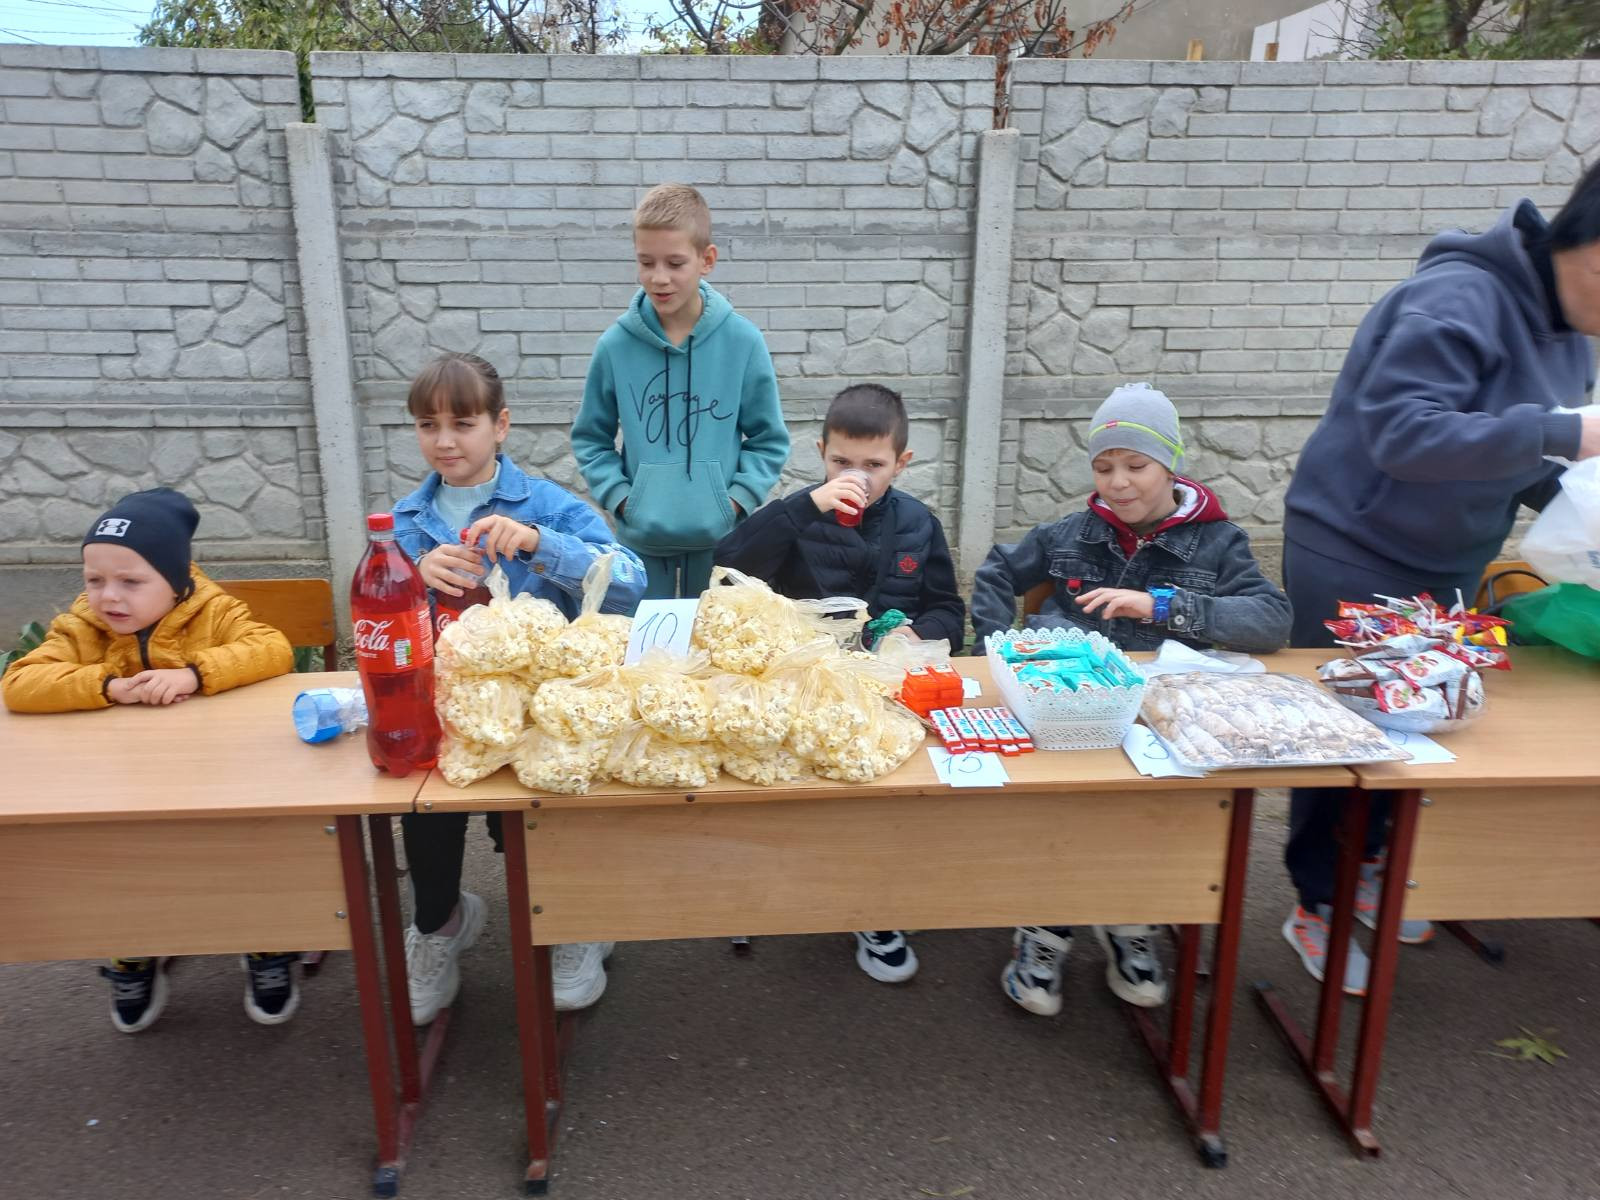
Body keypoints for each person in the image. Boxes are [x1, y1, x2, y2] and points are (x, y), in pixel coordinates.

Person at [1278, 163, 1600, 995]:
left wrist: (1581, 512)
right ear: (1585, 247)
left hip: (1450, 557)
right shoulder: (1459, 297)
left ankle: (1373, 867)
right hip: (1354, 542)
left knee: (1426, 723)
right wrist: (1564, 434)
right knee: (1348, 731)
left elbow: (1532, 459)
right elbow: (1404, 434)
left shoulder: (1572, 331)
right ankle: (1315, 899)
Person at [971, 383, 1291, 1017]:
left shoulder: (1216, 542)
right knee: (1061, 813)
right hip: (1066, 712)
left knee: (1154, 820)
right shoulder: (1071, 533)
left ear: (1170, 466)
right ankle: (1045, 926)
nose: (1118, 483)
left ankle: (1129, 918)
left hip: (1161, 720)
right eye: (1104, 467)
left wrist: (1162, 605)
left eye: (1136, 465)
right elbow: (997, 571)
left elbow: (1272, 621)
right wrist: (996, 652)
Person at [393, 352, 645, 1023]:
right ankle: (440, 923)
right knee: (425, 814)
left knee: (534, 818)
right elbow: (381, 620)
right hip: (447, 713)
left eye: (463, 423)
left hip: (543, 711)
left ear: (500, 425)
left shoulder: (546, 505)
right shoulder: (406, 522)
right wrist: (412, 577)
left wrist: (540, 544)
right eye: (427, 425)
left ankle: (573, 921)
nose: (444, 441)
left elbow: (629, 580)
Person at [2, 488, 296, 1033]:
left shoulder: (213, 611)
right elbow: (20, 683)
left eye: (131, 582)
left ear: (176, 581)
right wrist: (107, 686)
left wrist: (194, 675)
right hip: (119, 788)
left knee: (247, 853)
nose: (108, 597)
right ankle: (133, 945)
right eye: (94, 580)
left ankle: (265, 937)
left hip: (217, 779)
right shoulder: (81, 626)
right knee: (119, 861)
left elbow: (272, 648)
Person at [714, 383, 965, 984]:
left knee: (881, 804)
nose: (857, 476)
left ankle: (871, 907)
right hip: (800, 687)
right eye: (841, 462)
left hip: (886, 693)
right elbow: (728, 566)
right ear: (821, 454)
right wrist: (805, 507)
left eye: (874, 465)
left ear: (901, 462)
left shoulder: (917, 523)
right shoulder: (798, 514)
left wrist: (920, 633)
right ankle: (754, 895)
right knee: (777, 792)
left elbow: (948, 610)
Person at [573, 182, 790, 600]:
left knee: (716, 641)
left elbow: (768, 440)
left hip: (722, 547)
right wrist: (624, 500)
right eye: (646, 262)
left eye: (675, 263)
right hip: (640, 547)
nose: (659, 278)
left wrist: (733, 502)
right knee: (640, 643)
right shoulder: (615, 346)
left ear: (707, 260)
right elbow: (590, 439)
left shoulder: (742, 342)